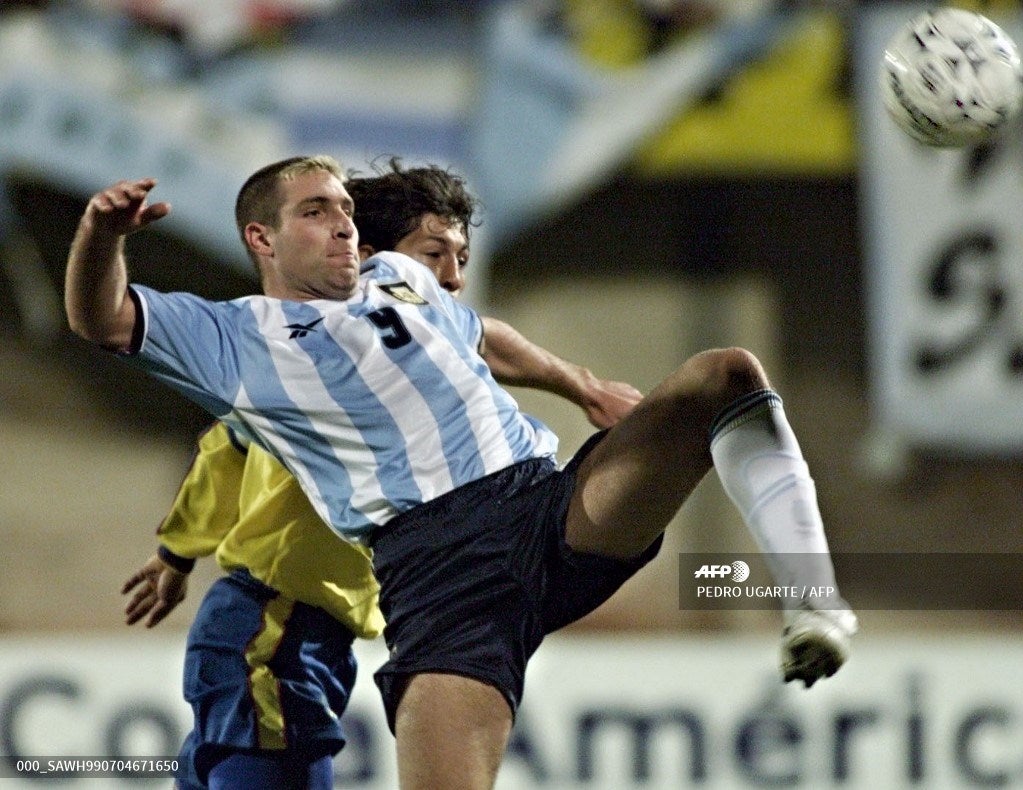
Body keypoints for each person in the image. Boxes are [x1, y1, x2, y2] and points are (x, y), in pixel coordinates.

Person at [65, 155, 857, 790]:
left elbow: (483, 334)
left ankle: (816, 604)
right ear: (261, 239)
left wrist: (576, 384)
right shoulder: (234, 337)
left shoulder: (400, 282)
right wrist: (103, 234)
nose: (341, 222)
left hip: (548, 509)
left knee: (724, 377)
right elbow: (100, 317)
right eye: (316, 211)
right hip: (440, 578)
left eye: (345, 208)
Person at [117, 159, 642, 790]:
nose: (452, 277)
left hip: (311, 633)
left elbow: (482, 338)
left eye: (460, 256)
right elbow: (222, 454)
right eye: (432, 255)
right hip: (274, 627)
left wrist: (581, 385)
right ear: (370, 260)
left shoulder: (416, 366)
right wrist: (177, 554)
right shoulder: (305, 367)